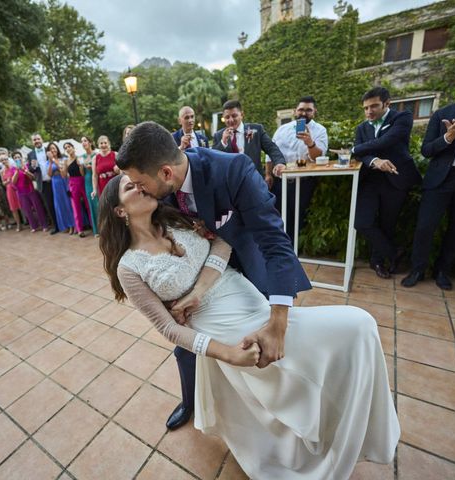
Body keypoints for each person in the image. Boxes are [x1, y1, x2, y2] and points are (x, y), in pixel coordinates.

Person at [99, 170, 400, 479]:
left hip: (246, 295)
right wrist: (226, 353)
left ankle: (333, 425)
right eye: (129, 187)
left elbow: (222, 244)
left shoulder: (177, 219)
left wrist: (200, 288)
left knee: (351, 330)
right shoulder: (129, 267)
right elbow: (168, 328)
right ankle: (295, 447)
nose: (141, 186)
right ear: (120, 210)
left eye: (139, 180)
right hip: (220, 326)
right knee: (290, 373)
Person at [118, 121, 311, 432]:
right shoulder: (155, 190)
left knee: (264, 334)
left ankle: (275, 408)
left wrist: (278, 320)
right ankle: (191, 402)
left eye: (140, 183)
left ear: (167, 173)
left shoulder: (233, 169)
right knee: (186, 348)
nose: (139, 189)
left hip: (246, 263)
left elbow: (275, 242)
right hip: (195, 274)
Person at [402, 58, 455, 290]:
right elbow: (426, 149)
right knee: (426, 226)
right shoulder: (443, 113)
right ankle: (417, 269)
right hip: (440, 179)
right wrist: (449, 137)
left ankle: (442, 271)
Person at [351, 87, 422, 279]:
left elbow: (388, 141)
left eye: (373, 106)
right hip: (371, 180)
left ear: (387, 103)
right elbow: (362, 156)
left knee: (387, 224)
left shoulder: (403, 117)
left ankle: (377, 262)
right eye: (365, 108)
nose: (369, 112)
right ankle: (394, 253)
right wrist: (374, 161)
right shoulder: (361, 128)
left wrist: (356, 148)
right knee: (362, 222)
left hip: (396, 178)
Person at [267, 96, 329, 244]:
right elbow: (271, 153)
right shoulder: (282, 129)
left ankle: (293, 250)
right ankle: (280, 248)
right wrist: (268, 174)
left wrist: (310, 143)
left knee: (298, 218)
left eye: (308, 110)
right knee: (278, 217)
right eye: (301, 109)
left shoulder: (320, 130)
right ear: (295, 111)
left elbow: (318, 157)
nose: (304, 113)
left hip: (303, 183)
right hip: (280, 181)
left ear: (314, 112)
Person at [212, 99, 286, 179]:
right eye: (227, 117)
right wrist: (223, 142)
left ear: (242, 114)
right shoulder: (218, 135)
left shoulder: (256, 130)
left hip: (254, 180)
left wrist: (279, 163)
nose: (231, 120)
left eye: (234, 116)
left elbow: (271, 148)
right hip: (230, 183)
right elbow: (213, 159)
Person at [27, 133, 58, 234]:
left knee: (59, 202)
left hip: (55, 180)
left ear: (42, 139)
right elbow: (31, 169)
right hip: (43, 183)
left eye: (38, 139)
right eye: (34, 140)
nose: (36, 141)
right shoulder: (30, 154)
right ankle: (56, 226)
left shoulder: (48, 150)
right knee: (49, 205)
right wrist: (33, 166)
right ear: (32, 142)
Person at [14, 151, 48, 233]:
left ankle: (44, 225)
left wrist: (26, 171)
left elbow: (33, 178)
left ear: (22, 158)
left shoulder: (28, 166)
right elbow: (13, 181)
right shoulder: (13, 169)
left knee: (38, 207)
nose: (17, 159)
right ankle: (33, 226)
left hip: (31, 190)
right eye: (15, 158)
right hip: (21, 192)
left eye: (19, 157)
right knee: (27, 210)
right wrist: (17, 171)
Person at [46, 142, 74, 234]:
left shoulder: (64, 159)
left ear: (57, 149)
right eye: (50, 149)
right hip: (55, 183)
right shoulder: (48, 162)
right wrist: (50, 162)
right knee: (60, 204)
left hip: (65, 181)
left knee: (68, 203)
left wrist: (54, 161)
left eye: (54, 148)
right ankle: (65, 225)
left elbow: (63, 171)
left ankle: (73, 224)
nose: (53, 150)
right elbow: (49, 174)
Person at [63, 142, 90, 237]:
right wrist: (62, 167)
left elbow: (82, 173)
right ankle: (80, 230)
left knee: (88, 205)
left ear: (73, 148)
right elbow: (63, 175)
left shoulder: (80, 157)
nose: (68, 149)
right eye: (66, 148)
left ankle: (94, 226)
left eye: (69, 146)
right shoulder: (66, 161)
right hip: (73, 184)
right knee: (76, 207)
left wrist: (80, 166)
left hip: (82, 182)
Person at [0, 150, 22, 231]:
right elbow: (3, 183)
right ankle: (18, 224)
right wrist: (7, 181)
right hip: (9, 190)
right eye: (2, 160)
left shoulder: (14, 167)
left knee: (22, 205)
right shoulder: (2, 171)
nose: (4, 161)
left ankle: (28, 221)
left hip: (17, 188)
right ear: (0, 162)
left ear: (8, 159)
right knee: (14, 208)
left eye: (5, 159)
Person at [81, 136, 99, 236]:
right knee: (91, 205)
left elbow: (99, 168)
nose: (83, 143)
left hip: (96, 180)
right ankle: (96, 230)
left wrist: (92, 167)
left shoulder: (96, 154)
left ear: (90, 142)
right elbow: (82, 173)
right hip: (87, 181)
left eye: (85, 141)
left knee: (99, 204)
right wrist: (81, 166)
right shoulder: (82, 157)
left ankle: (105, 228)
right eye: (82, 141)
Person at [92, 135, 118, 199]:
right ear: (98, 145)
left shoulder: (115, 154)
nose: (103, 145)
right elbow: (94, 175)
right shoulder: (95, 158)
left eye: (105, 143)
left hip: (115, 183)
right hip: (103, 186)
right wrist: (94, 189)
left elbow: (123, 170)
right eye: (101, 143)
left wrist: (118, 169)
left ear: (108, 144)